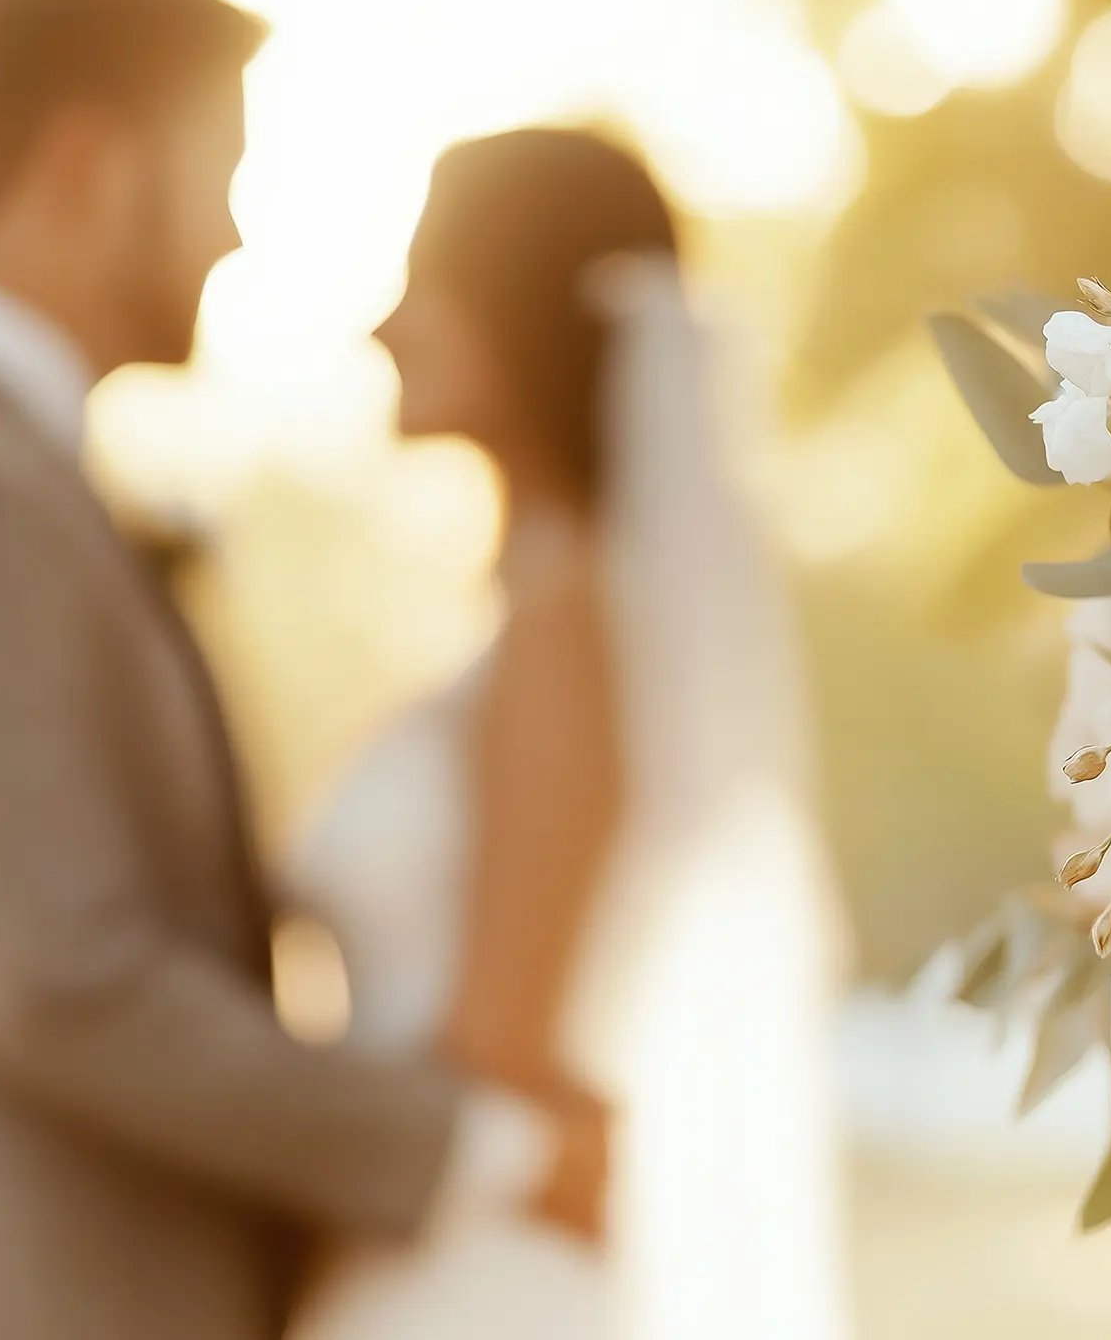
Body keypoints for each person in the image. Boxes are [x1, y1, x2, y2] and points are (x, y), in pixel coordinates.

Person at [0, 0, 596, 1338]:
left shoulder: (8, 479)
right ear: (89, 168)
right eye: (220, 173)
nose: (232, 234)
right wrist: (481, 1148)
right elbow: (64, 982)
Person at [283, 129, 851, 1339]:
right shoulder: (548, 622)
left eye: (422, 283)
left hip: (467, 1275)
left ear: (515, 308)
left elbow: (495, 1046)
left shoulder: (563, 623)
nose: (382, 327)